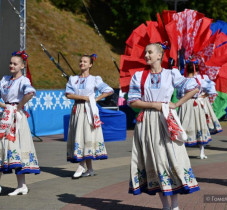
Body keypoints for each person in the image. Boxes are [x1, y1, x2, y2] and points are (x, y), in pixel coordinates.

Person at [128, 43, 200, 210]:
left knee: (171, 158)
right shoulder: (139, 76)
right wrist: (155, 105)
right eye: (145, 52)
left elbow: (194, 87)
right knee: (155, 160)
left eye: (150, 52)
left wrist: (177, 104)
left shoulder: (171, 74)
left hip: (166, 119)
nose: (146, 55)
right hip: (147, 122)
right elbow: (132, 101)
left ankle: (174, 205)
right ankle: (165, 206)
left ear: (160, 55)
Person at [65, 54, 113, 178]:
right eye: (81, 61)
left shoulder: (95, 79)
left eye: (85, 62)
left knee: (86, 134)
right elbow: (68, 94)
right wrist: (84, 97)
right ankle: (90, 169)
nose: (82, 63)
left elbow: (109, 90)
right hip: (77, 108)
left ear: (90, 64)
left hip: (88, 109)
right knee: (79, 135)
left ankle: (81, 166)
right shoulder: (73, 79)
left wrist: (95, 99)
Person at [0, 51, 40, 196]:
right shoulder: (5, 79)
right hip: (5, 116)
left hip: (16, 118)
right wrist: (5, 106)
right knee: (2, 147)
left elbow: (30, 93)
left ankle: (21, 185)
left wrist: (18, 106)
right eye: (10, 63)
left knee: (15, 148)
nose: (11, 65)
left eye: (15, 63)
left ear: (22, 66)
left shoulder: (23, 81)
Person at [177, 60, 213, 159]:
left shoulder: (181, 81)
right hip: (195, 104)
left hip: (184, 105)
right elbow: (210, 89)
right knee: (199, 125)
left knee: (183, 125)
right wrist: (202, 97)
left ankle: (181, 152)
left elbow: (178, 95)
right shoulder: (199, 80)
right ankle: (202, 152)